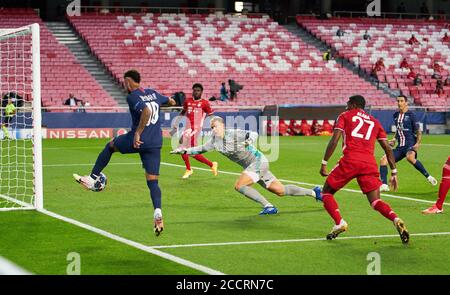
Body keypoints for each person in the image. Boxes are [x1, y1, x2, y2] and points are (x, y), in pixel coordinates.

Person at [73, 70, 177, 236]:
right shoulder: (153, 93)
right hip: (155, 143)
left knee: (110, 146)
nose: (123, 85)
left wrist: (138, 132)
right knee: (153, 182)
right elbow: (170, 101)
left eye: (124, 81)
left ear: (129, 81)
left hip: (138, 140)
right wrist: (170, 101)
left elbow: (146, 112)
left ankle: (92, 179)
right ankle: (157, 211)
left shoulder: (132, 97)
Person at [171, 116, 322, 214]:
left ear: (222, 126)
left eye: (215, 126)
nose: (213, 129)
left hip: (258, 162)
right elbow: (199, 149)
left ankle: (268, 206)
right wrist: (183, 151)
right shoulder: (214, 141)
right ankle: (315, 192)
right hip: (252, 166)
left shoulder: (233, 133)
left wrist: (248, 142)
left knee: (239, 185)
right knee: (280, 190)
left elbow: (254, 134)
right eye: (211, 127)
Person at [319, 95, 409, 244]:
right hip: (369, 163)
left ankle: (339, 222)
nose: (346, 106)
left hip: (350, 160)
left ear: (354, 105)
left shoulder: (345, 115)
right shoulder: (375, 122)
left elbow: (334, 140)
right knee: (375, 201)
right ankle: (396, 219)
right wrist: (394, 172)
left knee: (326, 192)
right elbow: (387, 148)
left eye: (348, 103)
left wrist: (324, 162)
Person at [379, 95, 437, 192]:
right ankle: (384, 185)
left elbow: (418, 131)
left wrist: (417, 143)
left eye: (401, 101)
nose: (399, 103)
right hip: (400, 147)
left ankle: (428, 176)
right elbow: (398, 129)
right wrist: (394, 139)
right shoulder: (395, 115)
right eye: (398, 101)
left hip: (410, 144)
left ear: (406, 103)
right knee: (383, 160)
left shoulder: (411, 115)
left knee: (410, 158)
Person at [171, 83, 218, 179]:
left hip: (196, 128)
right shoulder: (187, 101)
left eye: (198, 90)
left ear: (201, 92)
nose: (196, 92)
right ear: (192, 91)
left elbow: (211, 115)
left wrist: (215, 124)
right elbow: (183, 112)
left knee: (183, 148)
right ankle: (211, 164)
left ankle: (189, 169)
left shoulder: (204, 103)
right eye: (195, 90)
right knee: (189, 151)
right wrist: (176, 123)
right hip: (188, 128)